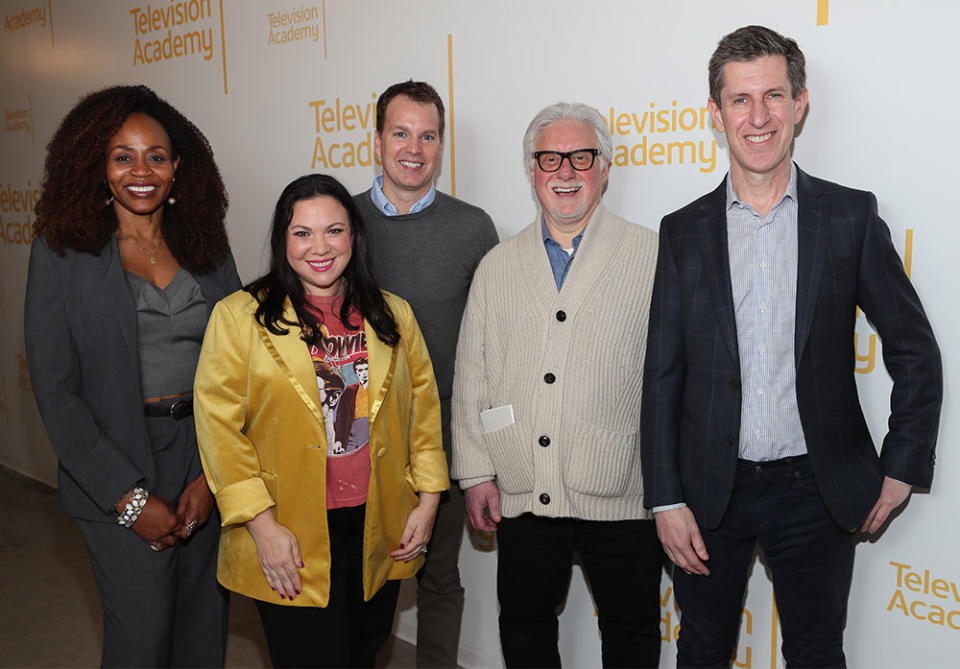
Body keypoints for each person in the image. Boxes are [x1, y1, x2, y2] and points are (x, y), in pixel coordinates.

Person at [640, 25, 943, 667]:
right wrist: (665, 498)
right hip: (706, 492)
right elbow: (661, 377)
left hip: (817, 486)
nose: (758, 117)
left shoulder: (849, 218)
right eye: (741, 100)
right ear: (716, 113)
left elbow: (915, 350)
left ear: (800, 104)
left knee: (814, 653)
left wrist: (903, 464)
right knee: (700, 651)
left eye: (774, 96)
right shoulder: (682, 233)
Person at [193, 173, 449, 668]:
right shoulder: (238, 317)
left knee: (363, 653)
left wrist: (430, 500)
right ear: (282, 240)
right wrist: (263, 527)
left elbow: (424, 411)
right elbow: (219, 427)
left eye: (333, 230)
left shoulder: (393, 315)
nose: (319, 248)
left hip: (381, 522)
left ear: (354, 235)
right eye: (302, 232)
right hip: (290, 528)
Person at [24, 84, 239, 667]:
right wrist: (129, 501)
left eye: (157, 156)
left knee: (202, 637)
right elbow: (57, 391)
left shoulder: (207, 246)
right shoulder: (61, 253)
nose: (141, 171)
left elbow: (240, 366)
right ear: (97, 165)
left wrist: (209, 478)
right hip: (113, 460)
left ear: (178, 167)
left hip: (203, 454)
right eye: (123, 156)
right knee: (140, 641)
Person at [452, 102, 662, 668]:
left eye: (581, 156)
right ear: (531, 170)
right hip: (523, 488)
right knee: (525, 631)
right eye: (550, 158)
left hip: (624, 490)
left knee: (633, 632)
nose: (565, 171)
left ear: (605, 168)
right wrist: (475, 473)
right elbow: (473, 372)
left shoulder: (652, 255)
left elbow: (671, 380)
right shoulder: (497, 266)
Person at [353, 79, 498, 667]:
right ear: (379, 138)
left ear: (441, 145)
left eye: (428, 135)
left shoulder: (473, 228)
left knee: (439, 578)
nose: (414, 148)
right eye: (401, 133)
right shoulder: (340, 222)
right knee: (365, 583)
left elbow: (491, 342)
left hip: (444, 440)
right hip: (356, 440)